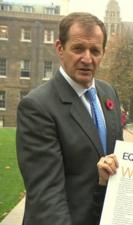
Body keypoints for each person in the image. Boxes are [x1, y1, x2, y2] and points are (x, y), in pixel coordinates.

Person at [16, 12, 123, 225]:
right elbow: (47, 195)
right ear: (59, 48)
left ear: (103, 52)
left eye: (95, 50)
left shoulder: (108, 93)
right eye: (78, 49)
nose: (87, 58)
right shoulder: (37, 106)